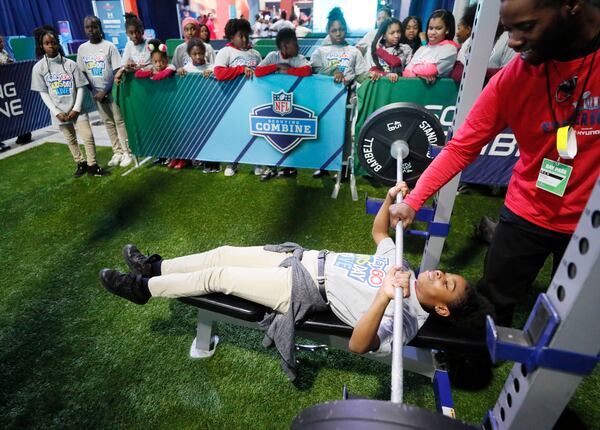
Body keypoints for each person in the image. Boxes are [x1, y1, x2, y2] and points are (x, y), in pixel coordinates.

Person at [99, 182, 492, 379]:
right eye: (447, 274)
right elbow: (379, 236)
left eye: (447, 284)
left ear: (440, 306)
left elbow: (359, 346)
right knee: (221, 252)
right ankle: (155, 268)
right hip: (300, 258)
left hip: (301, 290)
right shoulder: (402, 267)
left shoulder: (406, 319)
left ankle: (140, 290)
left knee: (217, 276)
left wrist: (384, 298)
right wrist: (390, 200)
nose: (440, 273)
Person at [389, 0, 600, 327]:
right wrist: (414, 201)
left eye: (526, 27)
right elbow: (460, 148)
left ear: (571, 6)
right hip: (527, 210)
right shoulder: (517, 75)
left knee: (572, 323)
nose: (513, 42)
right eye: (508, 30)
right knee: (489, 307)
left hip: (591, 223)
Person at [31, 29, 108, 177]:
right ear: (41, 46)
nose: (51, 46)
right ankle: (81, 163)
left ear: (58, 43)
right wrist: (56, 112)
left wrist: (77, 108)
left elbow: (80, 87)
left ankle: (93, 166)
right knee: (70, 139)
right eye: (47, 43)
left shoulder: (70, 64)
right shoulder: (38, 68)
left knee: (87, 136)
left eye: (53, 42)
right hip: (59, 112)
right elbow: (43, 92)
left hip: (77, 109)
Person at [254, 28, 311, 181]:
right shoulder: (273, 56)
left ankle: (289, 168)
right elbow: (258, 72)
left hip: (294, 103)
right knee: (273, 135)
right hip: (272, 102)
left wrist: (288, 71)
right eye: (294, 43)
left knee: (289, 136)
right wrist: (277, 67)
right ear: (285, 45)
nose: (298, 46)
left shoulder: (298, 58)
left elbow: (307, 71)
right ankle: (271, 167)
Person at [77, 16, 132, 169]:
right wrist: (95, 91)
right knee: (108, 123)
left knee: (119, 121)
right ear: (84, 29)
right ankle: (117, 151)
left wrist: (106, 91)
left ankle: (128, 151)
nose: (91, 30)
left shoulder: (109, 47)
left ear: (100, 28)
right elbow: (83, 73)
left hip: (113, 91)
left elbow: (116, 71)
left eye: (94, 26)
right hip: (96, 94)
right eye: (88, 27)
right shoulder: (82, 49)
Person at [214, 18, 263, 177]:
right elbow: (219, 73)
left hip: (254, 100)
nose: (243, 39)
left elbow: (262, 74)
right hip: (233, 101)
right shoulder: (225, 52)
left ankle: (257, 161)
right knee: (234, 132)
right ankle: (232, 162)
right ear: (231, 37)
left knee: (255, 131)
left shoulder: (255, 53)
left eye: (246, 36)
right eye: (239, 36)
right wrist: (241, 69)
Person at [178, 38, 219, 173]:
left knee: (212, 134)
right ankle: (203, 160)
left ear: (204, 52)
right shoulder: (186, 69)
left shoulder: (212, 67)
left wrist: (213, 73)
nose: (198, 56)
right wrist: (179, 72)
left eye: (200, 53)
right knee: (199, 134)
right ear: (189, 54)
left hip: (210, 108)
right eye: (194, 54)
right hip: (194, 109)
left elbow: (219, 79)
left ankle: (215, 162)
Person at [402, 9, 459, 84]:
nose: (432, 32)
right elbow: (406, 72)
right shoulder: (423, 48)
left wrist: (414, 70)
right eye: (430, 28)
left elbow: (431, 70)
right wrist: (419, 74)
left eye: (438, 28)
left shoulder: (450, 48)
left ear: (447, 30)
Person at [367, 18, 413, 83]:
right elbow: (371, 70)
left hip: (399, 84)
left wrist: (380, 51)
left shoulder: (405, 48)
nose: (396, 35)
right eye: (392, 33)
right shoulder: (372, 50)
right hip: (380, 85)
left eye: (398, 32)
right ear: (384, 36)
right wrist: (386, 74)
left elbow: (396, 62)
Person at [114, 13, 150, 84]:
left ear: (142, 31)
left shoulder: (150, 44)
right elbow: (124, 65)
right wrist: (126, 66)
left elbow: (151, 66)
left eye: (137, 32)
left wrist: (133, 68)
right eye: (131, 33)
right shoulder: (129, 45)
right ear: (127, 33)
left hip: (150, 83)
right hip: (136, 85)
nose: (134, 35)